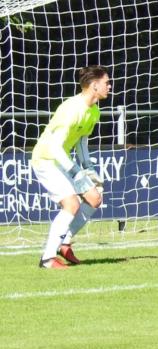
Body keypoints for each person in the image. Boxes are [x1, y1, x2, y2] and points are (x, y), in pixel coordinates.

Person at [30, 66, 111, 269]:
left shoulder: (94, 110)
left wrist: (88, 167)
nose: (109, 86)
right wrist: (75, 171)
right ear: (94, 85)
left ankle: (64, 243)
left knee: (94, 197)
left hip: (62, 160)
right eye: (106, 82)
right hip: (46, 159)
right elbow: (54, 147)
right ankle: (47, 259)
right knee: (71, 204)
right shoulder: (70, 109)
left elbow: (82, 143)